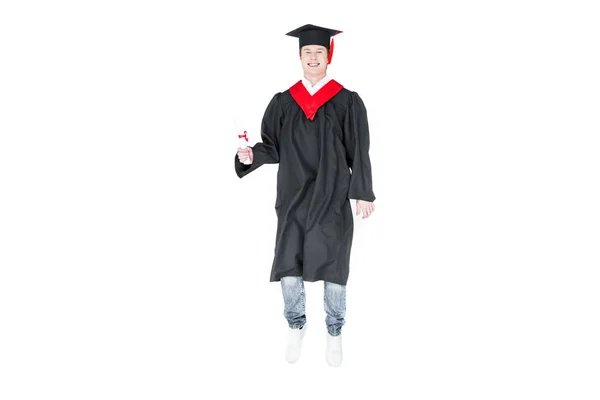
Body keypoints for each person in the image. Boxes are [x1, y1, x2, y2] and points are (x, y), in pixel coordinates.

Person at [234, 24, 375, 367]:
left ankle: (334, 331)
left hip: (332, 195)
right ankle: (296, 324)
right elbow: (271, 146)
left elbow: (360, 150)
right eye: (307, 53)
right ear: (299, 57)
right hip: (294, 196)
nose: (313, 58)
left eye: (319, 53)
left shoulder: (346, 101)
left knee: (333, 265)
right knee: (289, 264)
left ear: (329, 56)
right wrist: (251, 155)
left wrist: (363, 193)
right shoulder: (284, 101)